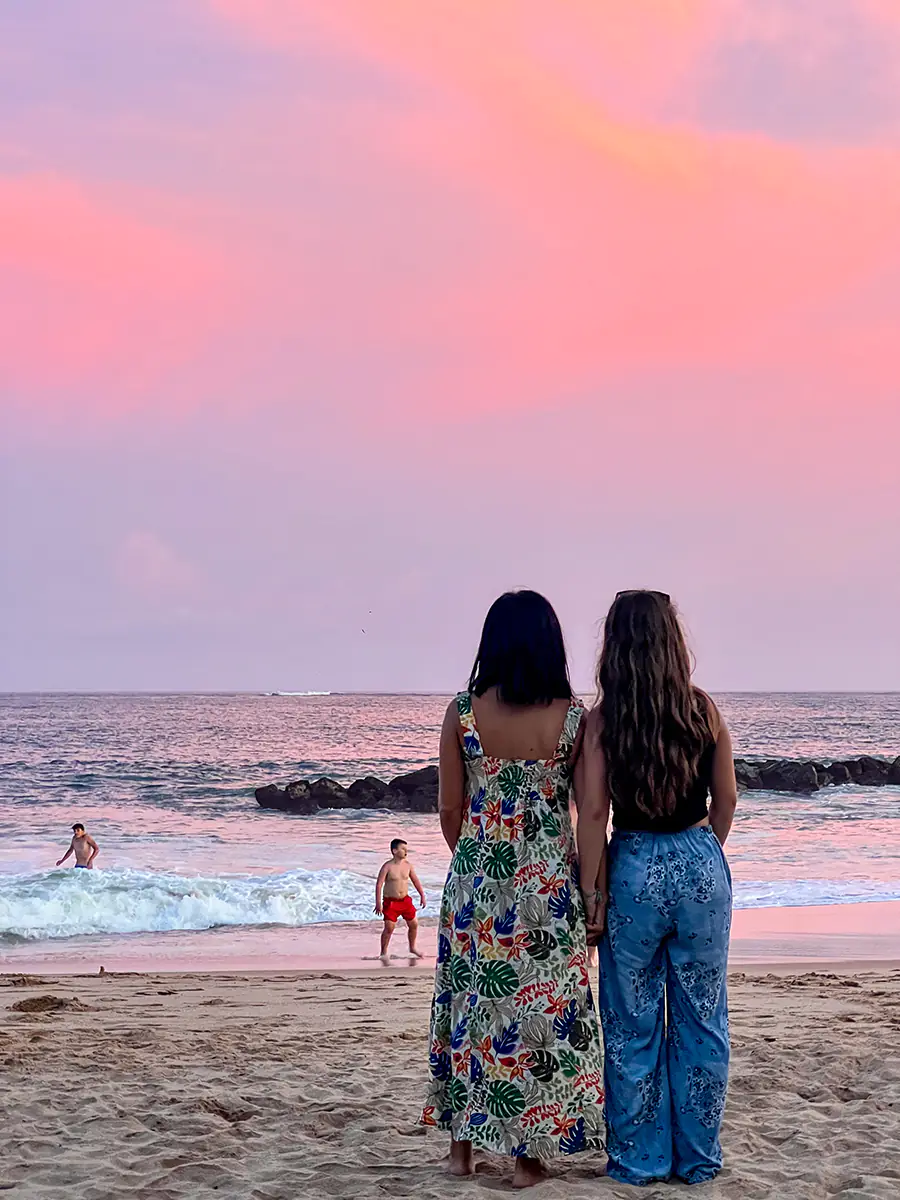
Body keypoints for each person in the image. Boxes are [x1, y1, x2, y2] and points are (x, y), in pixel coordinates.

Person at [422, 590, 605, 1189]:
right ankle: (529, 1156)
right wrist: (587, 890)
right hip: (550, 885)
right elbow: (589, 813)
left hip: (478, 882)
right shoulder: (575, 719)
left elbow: (450, 807)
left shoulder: (462, 712)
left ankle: (461, 1150)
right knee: (539, 1015)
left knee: (472, 1005)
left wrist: (480, 858)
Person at [577, 590, 738, 1186]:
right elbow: (727, 801)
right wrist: (702, 848)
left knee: (630, 1021)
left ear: (613, 647)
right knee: (702, 1017)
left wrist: (592, 894)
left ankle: (640, 1160)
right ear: (674, 641)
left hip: (634, 864)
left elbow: (593, 814)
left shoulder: (602, 721)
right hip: (698, 859)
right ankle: (697, 1158)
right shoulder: (703, 711)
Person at [375, 839, 427, 961]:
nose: (406, 851)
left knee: (414, 924)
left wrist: (422, 895)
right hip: (391, 901)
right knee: (389, 927)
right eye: (403, 849)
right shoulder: (387, 866)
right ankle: (383, 952)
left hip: (405, 901)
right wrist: (378, 903)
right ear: (394, 851)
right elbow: (379, 885)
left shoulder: (408, 865)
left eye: (406, 849)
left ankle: (412, 947)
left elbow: (415, 881)